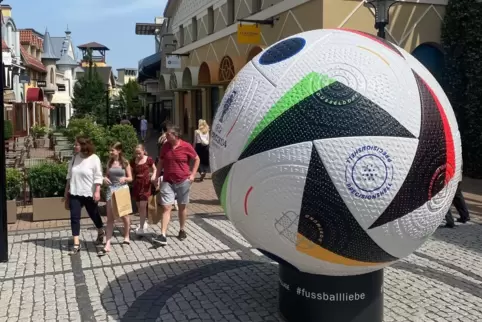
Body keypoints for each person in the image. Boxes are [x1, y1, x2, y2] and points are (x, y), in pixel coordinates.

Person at [153, 125, 200, 246]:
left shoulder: (186, 146)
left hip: (183, 180)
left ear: (176, 135)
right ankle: (163, 235)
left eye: (168, 134)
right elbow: (161, 162)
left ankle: (182, 229)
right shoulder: (165, 146)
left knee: (182, 207)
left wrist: (193, 175)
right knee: (166, 207)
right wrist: (157, 176)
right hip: (168, 181)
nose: (166, 135)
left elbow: (197, 159)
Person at [64, 136, 104, 255]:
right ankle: (76, 243)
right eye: (75, 144)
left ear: (83, 146)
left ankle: (100, 230)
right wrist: (66, 190)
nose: (74, 146)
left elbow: (98, 176)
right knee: (74, 217)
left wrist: (97, 191)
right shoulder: (74, 158)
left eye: (76, 144)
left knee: (94, 214)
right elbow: (69, 175)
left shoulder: (94, 158)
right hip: (75, 192)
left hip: (89, 192)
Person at [99, 142, 133, 256]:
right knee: (110, 218)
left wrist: (125, 178)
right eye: (110, 150)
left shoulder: (125, 163)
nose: (110, 152)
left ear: (118, 151)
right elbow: (107, 176)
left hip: (122, 190)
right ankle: (107, 244)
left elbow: (130, 178)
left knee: (124, 215)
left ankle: (127, 235)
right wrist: (104, 179)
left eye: (112, 150)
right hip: (111, 191)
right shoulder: (109, 163)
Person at [131, 144, 157, 236]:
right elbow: (132, 173)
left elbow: (154, 169)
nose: (138, 155)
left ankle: (141, 228)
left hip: (145, 185)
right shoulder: (133, 161)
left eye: (139, 153)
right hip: (137, 184)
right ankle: (143, 222)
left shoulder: (148, 159)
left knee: (142, 206)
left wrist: (153, 176)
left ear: (143, 151)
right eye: (136, 153)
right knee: (139, 206)